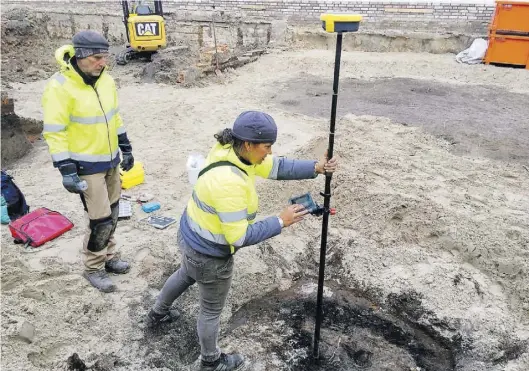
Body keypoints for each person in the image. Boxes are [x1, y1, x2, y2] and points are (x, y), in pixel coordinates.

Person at [146, 111, 337, 371]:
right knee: (211, 310)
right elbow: (239, 236)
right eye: (267, 146)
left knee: (185, 273)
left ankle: (157, 313)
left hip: (190, 233)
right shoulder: (228, 183)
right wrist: (281, 221)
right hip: (210, 254)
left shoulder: (231, 149)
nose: (269, 153)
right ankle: (210, 361)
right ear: (249, 144)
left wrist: (315, 167)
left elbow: (277, 167)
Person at [41, 30, 135, 293]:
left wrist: (125, 148)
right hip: (85, 166)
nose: (101, 63)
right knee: (100, 219)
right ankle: (93, 267)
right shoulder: (59, 87)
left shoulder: (106, 81)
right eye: (96, 58)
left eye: (103, 57)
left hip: (110, 160)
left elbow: (114, 117)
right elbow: (54, 132)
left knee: (113, 212)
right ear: (80, 56)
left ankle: (109, 255)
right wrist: (66, 169)